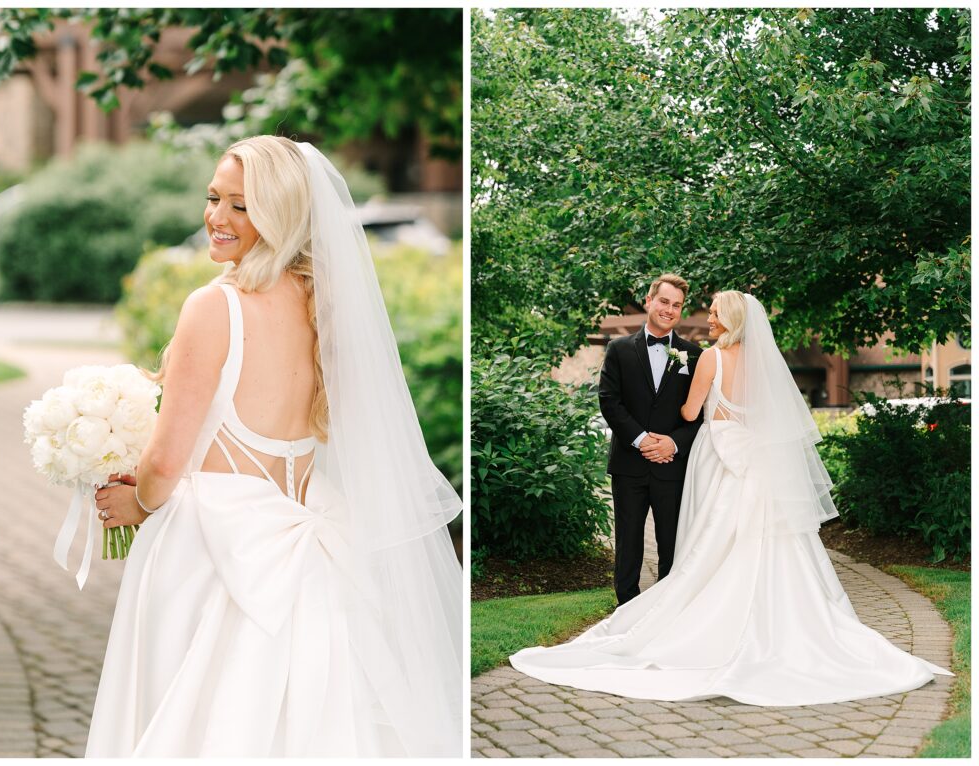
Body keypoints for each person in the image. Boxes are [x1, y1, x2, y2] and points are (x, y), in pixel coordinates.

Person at [86, 136, 462, 756]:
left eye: (241, 205)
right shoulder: (322, 304)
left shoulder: (214, 306)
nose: (217, 216)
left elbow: (166, 461)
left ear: (280, 215)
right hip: (312, 533)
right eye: (214, 198)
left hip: (212, 551)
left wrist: (138, 503)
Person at [511, 291, 950, 705]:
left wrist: (679, 413)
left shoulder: (709, 357)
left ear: (731, 320)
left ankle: (701, 620)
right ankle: (776, 623)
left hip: (718, 457)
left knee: (712, 536)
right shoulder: (762, 365)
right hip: (755, 461)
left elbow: (690, 412)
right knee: (761, 539)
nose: (708, 317)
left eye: (715, 312)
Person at [598, 274, 702, 605]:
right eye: (664, 301)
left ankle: (666, 610)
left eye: (677, 305)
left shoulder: (694, 355)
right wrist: (641, 440)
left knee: (672, 543)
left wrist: (673, 443)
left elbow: (701, 415)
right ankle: (626, 608)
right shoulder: (619, 349)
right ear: (649, 301)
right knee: (628, 543)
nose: (669, 310)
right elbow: (609, 401)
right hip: (629, 464)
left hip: (672, 466)